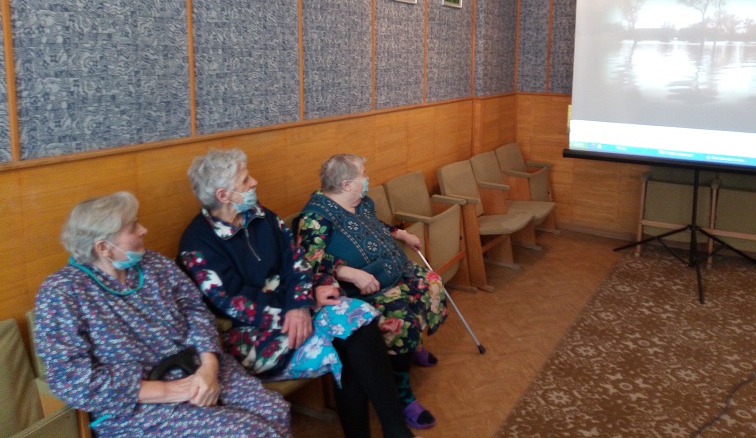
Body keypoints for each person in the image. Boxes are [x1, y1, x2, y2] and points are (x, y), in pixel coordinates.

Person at [179, 148, 415, 438]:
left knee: (359, 321)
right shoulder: (197, 245)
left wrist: (301, 302)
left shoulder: (262, 216)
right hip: (252, 332)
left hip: (297, 306)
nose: (254, 182)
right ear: (223, 195)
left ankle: (394, 429)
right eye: (245, 180)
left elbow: (297, 261)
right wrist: (297, 305)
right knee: (346, 349)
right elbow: (235, 303)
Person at [34, 192, 289, 438]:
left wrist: (209, 367)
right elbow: (70, 378)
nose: (143, 230)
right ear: (103, 248)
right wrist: (169, 390)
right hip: (139, 403)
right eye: (133, 227)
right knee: (248, 433)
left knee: (274, 410)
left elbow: (196, 310)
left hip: (198, 365)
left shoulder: (155, 264)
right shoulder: (62, 292)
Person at [297, 153, 447, 430]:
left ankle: (412, 344)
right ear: (346, 185)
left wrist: (401, 235)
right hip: (360, 289)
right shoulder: (315, 218)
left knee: (431, 283)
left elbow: (378, 226)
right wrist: (349, 272)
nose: (367, 179)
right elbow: (310, 261)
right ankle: (403, 394)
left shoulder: (361, 203)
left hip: (393, 269)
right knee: (399, 317)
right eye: (362, 175)